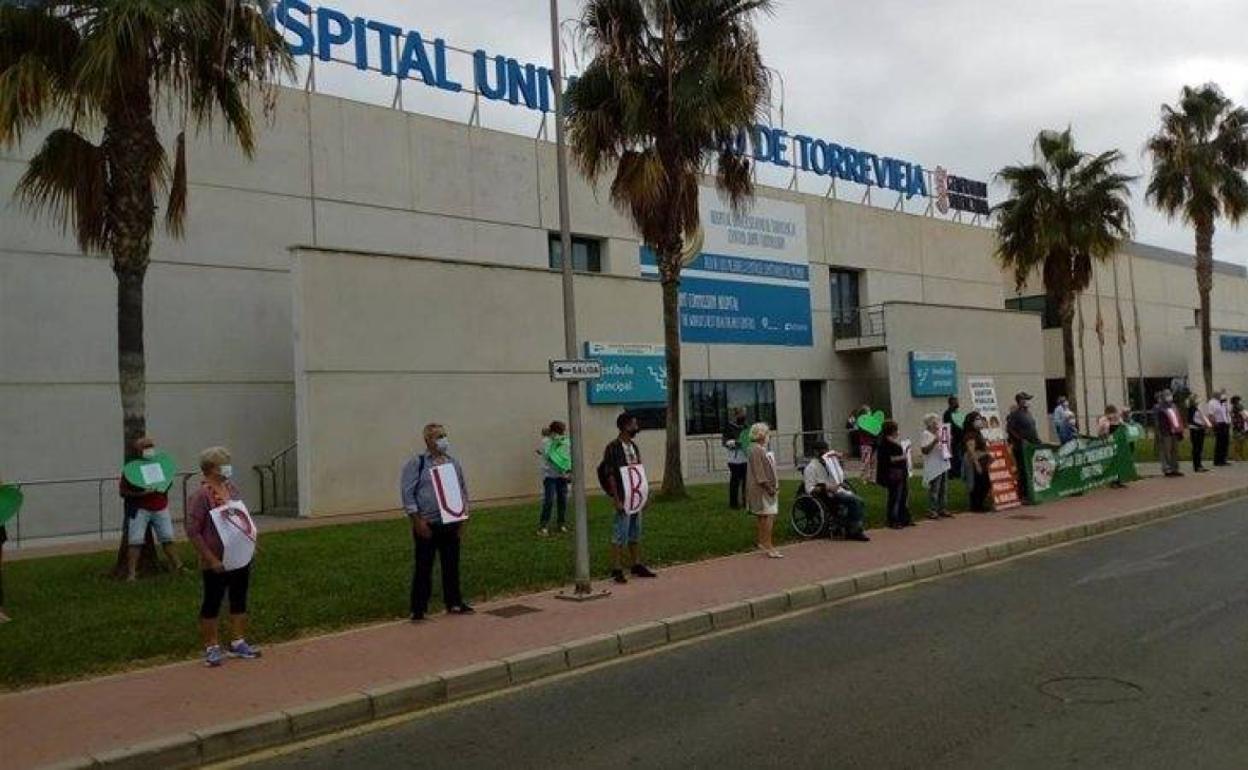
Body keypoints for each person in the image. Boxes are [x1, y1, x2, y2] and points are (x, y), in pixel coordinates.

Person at [185, 447, 261, 667]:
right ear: (211, 468)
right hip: (216, 559)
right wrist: (210, 558)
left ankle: (238, 641)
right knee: (213, 600)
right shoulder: (200, 496)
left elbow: (241, 516)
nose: (228, 467)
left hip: (239, 554)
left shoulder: (231, 488)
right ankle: (211, 646)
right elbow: (193, 531)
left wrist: (250, 541)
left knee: (239, 597)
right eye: (224, 463)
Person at [400, 423, 473, 621]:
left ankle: (454, 602)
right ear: (427, 440)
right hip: (428, 523)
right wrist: (417, 520)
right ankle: (418, 608)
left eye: (444, 435)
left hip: (450, 522)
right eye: (438, 436)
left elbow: (462, 491)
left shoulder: (452, 463)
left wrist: (463, 519)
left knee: (451, 564)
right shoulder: (418, 463)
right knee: (424, 566)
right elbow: (408, 494)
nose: (443, 440)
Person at [600, 413, 656, 584]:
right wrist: (616, 498)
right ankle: (616, 567)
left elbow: (638, 470)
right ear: (625, 426)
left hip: (635, 496)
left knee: (635, 532)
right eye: (634, 424)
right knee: (620, 532)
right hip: (623, 496)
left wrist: (643, 495)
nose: (636, 427)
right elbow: (610, 474)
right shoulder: (613, 448)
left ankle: (636, 563)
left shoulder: (633, 447)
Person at [118, 436, 184, 580]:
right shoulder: (131, 470)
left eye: (151, 446)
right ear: (138, 450)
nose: (149, 449)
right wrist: (141, 493)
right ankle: (132, 574)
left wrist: (162, 488)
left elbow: (167, 482)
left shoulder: (160, 464)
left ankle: (178, 566)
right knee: (135, 541)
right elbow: (123, 492)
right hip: (140, 509)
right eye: (145, 446)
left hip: (160, 507)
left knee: (167, 537)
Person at [801, 441, 869, 541]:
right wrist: (827, 488)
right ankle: (854, 531)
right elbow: (810, 489)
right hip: (825, 494)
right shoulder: (811, 468)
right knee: (855, 501)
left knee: (859, 501)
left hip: (837, 490)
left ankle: (851, 527)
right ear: (815, 452)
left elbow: (839, 475)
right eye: (822, 451)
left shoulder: (830, 464)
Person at [745, 422, 782, 558]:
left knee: (762, 516)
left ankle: (762, 542)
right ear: (761, 435)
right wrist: (769, 488)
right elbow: (760, 473)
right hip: (763, 490)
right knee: (769, 515)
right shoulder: (757, 450)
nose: (768, 436)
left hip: (761, 488)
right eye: (767, 433)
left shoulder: (756, 449)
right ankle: (769, 546)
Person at [875, 420, 912, 529]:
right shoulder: (885, 444)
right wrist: (902, 457)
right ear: (892, 431)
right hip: (893, 473)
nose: (898, 432)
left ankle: (903, 517)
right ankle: (893, 519)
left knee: (903, 495)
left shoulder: (893, 443)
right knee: (895, 496)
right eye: (896, 430)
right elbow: (888, 459)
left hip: (900, 472)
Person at [537, 421, 571, 536]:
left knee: (563, 500)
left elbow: (567, 457)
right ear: (553, 432)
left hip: (562, 476)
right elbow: (551, 457)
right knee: (549, 500)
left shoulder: (564, 441)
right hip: (550, 476)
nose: (562, 434)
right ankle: (543, 526)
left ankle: (561, 524)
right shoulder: (546, 442)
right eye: (560, 432)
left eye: (562, 432)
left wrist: (568, 471)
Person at [1006, 392, 1040, 501]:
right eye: (1025, 399)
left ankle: (1030, 491)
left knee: (1030, 469)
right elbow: (1010, 429)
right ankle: (1023, 494)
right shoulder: (1015, 414)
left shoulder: (1028, 413)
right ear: (1020, 401)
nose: (1027, 402)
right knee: (1023, 470)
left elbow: (1032, 429)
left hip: (1031, 445)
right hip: (1021, 447)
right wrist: (1021, 440)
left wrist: (1037, 440)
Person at [919, 413, 952, 520]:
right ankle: (932, 510)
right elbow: (924, 450)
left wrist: (948, 441)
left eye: (937, 421)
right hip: (934, 465)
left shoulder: (941, 432)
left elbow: (946, 446)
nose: (937, 424)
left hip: (943, 463)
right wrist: (934, 441)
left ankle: (942, 508)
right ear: (929, 424)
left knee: (944, 489)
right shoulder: (926, 434)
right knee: (935, 489)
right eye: (934, 422)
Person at [963, 411, 993, 512]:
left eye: (980, 418)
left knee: (984, 483)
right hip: (975, 461)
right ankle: (976, 505)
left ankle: (979, 503)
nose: (980, 421)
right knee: (978, 484)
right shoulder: (970, 435)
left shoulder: (978, 433)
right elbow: (971, 451)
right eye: (977, 419)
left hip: (982, 460)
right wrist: (977, 465)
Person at [1153, 389, 1184, 477]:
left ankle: (1175, 468)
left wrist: (1180, 430)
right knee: (1166, 451)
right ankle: (1167, 469)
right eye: (1167, 395)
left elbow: (1178, 418)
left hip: (1174, 431)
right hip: (1165, 432)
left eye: (1170, 394)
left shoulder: (1173, 406)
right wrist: (1158, 432)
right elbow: (1157, 422)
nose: (1169, 396)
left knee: (1175, 450)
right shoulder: (1159, 407)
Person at [722, 409, 749, 510]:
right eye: (742, 414)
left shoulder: (746, 427)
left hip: (745, 459)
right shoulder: (729, 427)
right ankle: (733, 503)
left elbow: (748, 440)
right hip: (734, 460)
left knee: (746, 482)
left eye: (744, 415)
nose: (743, 417)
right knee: (735, 482)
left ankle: (746, 501)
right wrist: (735, 443)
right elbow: (725, 442)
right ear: (736, 415)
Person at [1097, 405, 1129, 488]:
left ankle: (1119, 480)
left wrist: (1121, 423)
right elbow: (1100, 431)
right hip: (1108, 443)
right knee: (1112, 462)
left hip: (1118, 443)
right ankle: (1112, 481)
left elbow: (1124, 426)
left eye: (1114, 413)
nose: (1113, 415)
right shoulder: (1103, 420)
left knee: (1119, 461)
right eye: (1111, 413)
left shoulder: (1118, 419)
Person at [1187, 394, 1211, 473]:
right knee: (1196, 448)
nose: (1198, 400)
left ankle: (1200, 464)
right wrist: (1200, 425)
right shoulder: (1191, 409)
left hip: (1200, 430)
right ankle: (1196, 466)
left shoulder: (1198, 409)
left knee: (1200, 448)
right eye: (1196, 399)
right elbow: (1191, 421)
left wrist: (1205, 424)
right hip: (1195, 430)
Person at [942, 395, 964, 479]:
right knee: (953, 456)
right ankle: (952, 473)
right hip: (952, 438)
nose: (958, 403)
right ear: (952, 403)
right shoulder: (948, 413)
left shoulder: (957, 413)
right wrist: (961, 429)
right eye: (956, 401)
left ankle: (957, 472)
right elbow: (951, 425)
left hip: (959, 438)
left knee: (957, 456)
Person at [1209, 389, 1232, 467]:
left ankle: (1223, 459)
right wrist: (1214, 424)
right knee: (1219, 442)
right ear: (1215, 395)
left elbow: (1227, 412)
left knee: (1225, 442)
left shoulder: (1221, 402)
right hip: (1218, 424)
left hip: (1225, 423)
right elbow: (1211, 415)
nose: (1220, 396)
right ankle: (1217, 460)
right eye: (1219, 394)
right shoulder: (1212, 403)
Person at [1232, 395, 1248, 461]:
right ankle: (1236, 456)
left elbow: (1244, 415)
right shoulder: (1234, 408)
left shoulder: (1240, 407)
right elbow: (1234, 418)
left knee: (1242, 441)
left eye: (1238, 400)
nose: (1238, 401)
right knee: (1237, 441)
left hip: (1241, 425)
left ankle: (1242, 455)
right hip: (1237, 426)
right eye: (1237, 400)